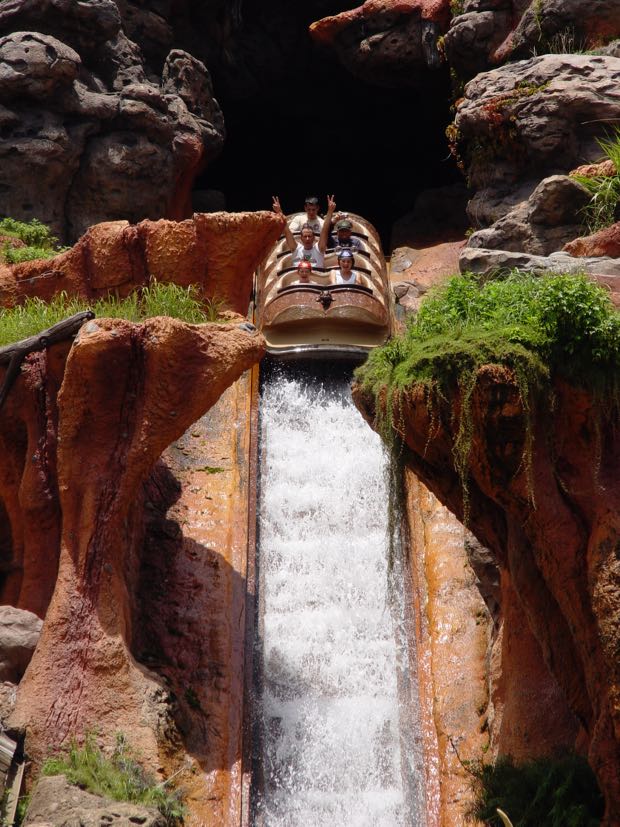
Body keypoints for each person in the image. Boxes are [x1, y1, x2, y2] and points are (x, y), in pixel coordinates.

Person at [275, 195, 336, 267]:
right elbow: (288, 232)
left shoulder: (319, 248)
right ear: (301, 238)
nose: (307, 239)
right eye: (305, 236)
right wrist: (279, 212)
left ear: (313, 238)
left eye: (309, 236)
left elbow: (325, 229)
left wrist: (330, 211)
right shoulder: (296, 248)